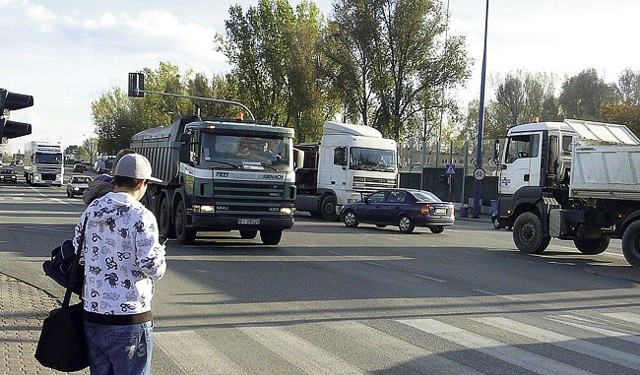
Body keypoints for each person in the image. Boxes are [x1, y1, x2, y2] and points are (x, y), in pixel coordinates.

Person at [74, 153, 166, 375]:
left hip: (93, 314)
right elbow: (153, 268)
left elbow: (80, 253)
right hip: (129, 319)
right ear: (141, 183)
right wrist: (160, 253)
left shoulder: (91, 211)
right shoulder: (141, 216)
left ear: (116, 179)